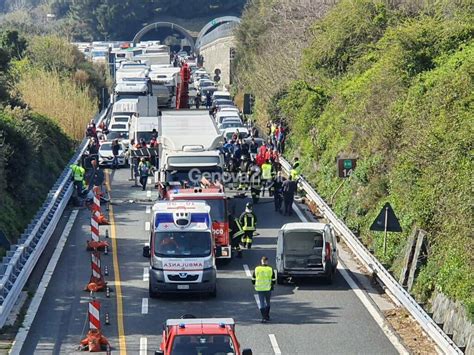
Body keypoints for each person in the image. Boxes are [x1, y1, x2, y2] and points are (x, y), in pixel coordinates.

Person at [252, 256, 276, 322]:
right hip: (268, 288)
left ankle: (263, 317)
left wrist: (254, 284)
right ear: (267, 261)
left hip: (259, 288)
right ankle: (267, 315)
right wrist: (272, 284)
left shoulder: (257, 269)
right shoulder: (270, 269)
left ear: (261, 261)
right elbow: (273, 279)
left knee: (261, 302)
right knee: (268, 301)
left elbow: (253, 278)